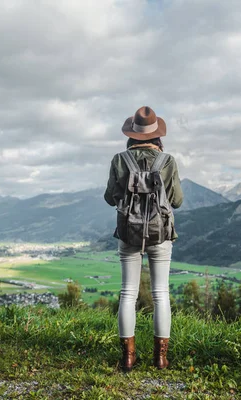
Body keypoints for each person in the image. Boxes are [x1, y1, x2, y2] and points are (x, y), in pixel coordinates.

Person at [104, 106, 183, 372]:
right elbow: (177, 201)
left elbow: (110, 197)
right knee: (161, 294)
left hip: (128, 232)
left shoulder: (119, 159)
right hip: (160, 234)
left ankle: (128, 357)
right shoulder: (168, 161)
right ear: (157, 135)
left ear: (132, 134)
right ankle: (160, 358)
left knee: (128, 293)